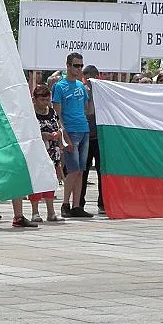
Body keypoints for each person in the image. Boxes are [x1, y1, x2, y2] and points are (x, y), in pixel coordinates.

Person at [53, 53, 92, 218]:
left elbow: (88, 110)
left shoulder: (81, 86)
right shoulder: (60, 86)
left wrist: (92, 94)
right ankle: (65, 204)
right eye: (76, 65)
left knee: (81, 170)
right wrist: (64, 135)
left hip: (84, 129)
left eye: (81, 66)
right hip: (70, 131)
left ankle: (77, 206)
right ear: (68, 66)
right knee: (74, 169)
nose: (79, 69)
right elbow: (57, 114)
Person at [28, 84, 64, 222]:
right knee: (36, 181)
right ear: (35, 99)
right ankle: (35, 212)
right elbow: (28, 132)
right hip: (37, 152)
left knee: (50, 181)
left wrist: (58, 134)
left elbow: (60, 126)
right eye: (42, 100)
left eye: (47, 99)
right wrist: (41, 135)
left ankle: (51, 212)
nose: (45, 103)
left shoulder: (52, 112)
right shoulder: (30, 114)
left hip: (52, 152)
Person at [79, 65, 103, 214]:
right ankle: (79, 203)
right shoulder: (81, 91)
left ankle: (103, 203)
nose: (89, 80)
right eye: (87, 77)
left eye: (92, 77)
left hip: (99, 137)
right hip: (85, 135)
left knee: (102, 171)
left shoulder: (104, 91)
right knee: (83, 171)